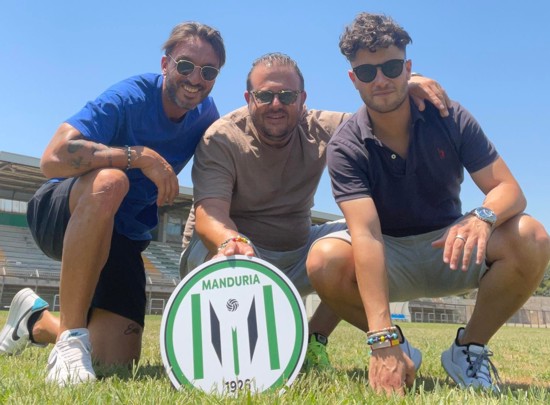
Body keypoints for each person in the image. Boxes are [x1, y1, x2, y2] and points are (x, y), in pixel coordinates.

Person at [306, 12, 550, 395]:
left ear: (408, 69)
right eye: (367, 72)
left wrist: (482, 217)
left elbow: (509, 190)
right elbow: (366, 235)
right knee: (323, 259)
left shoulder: (449, 116)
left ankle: (468, 349)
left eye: (391, 67)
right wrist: (382, 339)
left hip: (451, 245)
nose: (381, 80)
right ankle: (398, 350)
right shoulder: (345, 146)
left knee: (531, 235)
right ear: (353, 79)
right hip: (390, 255)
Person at [180, 52, 450, 372]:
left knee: (363, 232)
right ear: (249, 98)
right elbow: (210, 213)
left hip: (299, 248)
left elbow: (381, 120)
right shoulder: (222, 137)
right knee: (222, 264)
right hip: (234, 250)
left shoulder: (322, 127)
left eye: (287, 96)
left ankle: (314, 339)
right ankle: (236, 359)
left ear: (302, 99)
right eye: (264, 96)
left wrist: (406, 82)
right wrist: (230, 242)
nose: (276, 104)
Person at [0, 21, 226, 386]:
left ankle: (35, 320)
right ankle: (71, 339)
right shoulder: (129, 97)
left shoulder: (206, 116)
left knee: (115, 361)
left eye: (209, 71)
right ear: (165, 64)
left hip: (124, 233)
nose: (195, 79)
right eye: (185, 66)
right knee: (111, 181)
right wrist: (138, 156)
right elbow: (52, 158)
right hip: (64, 210)